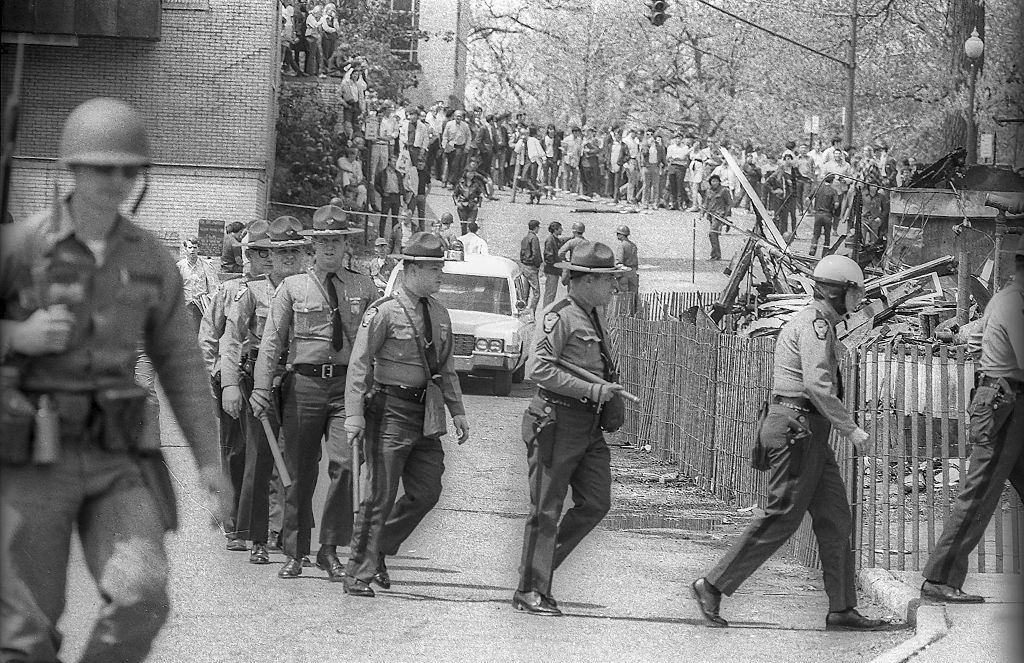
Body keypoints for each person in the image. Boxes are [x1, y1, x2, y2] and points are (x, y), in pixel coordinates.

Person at [0, 97, 230, 663]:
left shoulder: (151, 259)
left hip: (117, 456)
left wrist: (209, 461)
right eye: (105, 167)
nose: (119, 180)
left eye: (131, 169)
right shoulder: (20, 246)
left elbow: (181, 363)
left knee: (141, 595)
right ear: (71, 170)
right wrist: (17, 335)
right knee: (25, 634)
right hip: (31, 457)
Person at [691, 255, 889, 632]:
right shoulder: (815, 325)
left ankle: (842, 608)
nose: (858, 299)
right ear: (839, 292)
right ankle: (712, 584)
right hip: (798, 429)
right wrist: (851, 428)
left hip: (806, 431)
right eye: (855, 292)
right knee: (782, 516)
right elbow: (817, 385)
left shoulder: (819, 323)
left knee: (835, 518)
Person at [248, 204, 377, 581]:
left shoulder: (363, 285)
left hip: (344, 389)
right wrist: (259, 387)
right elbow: (271, 343)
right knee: (298, 471)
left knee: (346, 464)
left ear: (345, 245)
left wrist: (372, 389)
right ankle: (295, 550)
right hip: (303, 387)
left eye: (337, 241)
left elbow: (373, 343)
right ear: (312, 246)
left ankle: (330, 549)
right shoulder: (292, 287)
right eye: (323, 242)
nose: (330, 249)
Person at [343, 232, 470, 597]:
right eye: (433, 268)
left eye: (440, 267)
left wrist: (457, 410)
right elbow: (359, 364)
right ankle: (358, 573)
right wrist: (354, 416)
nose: (440, 275)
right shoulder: (383, 311)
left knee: (427, 491)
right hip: (390, 411)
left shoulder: (440, 313)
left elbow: (446, 369)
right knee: (378, 495)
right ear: (411, 269)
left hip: (426, 414)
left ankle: (380, 545)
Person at [514, 241, 628, 616]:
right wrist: (593, 388)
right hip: (557, 419)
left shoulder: (593, 314)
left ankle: (538, 572)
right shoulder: (558, 315)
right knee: (545, 509)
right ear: (586, 280)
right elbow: (538, 369)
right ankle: (531, 588)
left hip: (588, 425)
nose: (614, 286)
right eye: (608, 279)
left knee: (596, 502)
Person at [920, 237, 1024, 603]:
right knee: (979, 494)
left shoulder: (1008, 299)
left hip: (1007, 399)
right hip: (1004, 405)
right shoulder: (1013, 303)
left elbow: (974, 333)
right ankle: (939, 578)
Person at [220, 216, 310, 564]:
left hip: (299, 380)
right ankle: (257, 536)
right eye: (279, 252)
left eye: (295, 251)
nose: (287, 258)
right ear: (269, 254)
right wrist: (229, 383)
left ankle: (284, 533)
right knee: (258, 459)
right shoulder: (252, 292)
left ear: (305, 253)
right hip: (261, 379)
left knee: (295, 458)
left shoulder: (310, 290)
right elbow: (231, 340)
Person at [198, 220, 270, 552]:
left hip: (265, 381)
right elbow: (209, 338)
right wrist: (218, 377)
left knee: (265, 454)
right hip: (231, 381)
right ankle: (234, 521)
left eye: (268, 253)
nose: (264, 260)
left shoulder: (279, 290)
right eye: (257, 253)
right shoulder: (230, 291)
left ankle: (262, 525)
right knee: (236, 451)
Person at [176, 235, 218, 334]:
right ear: (185, 249)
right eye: (190, 247)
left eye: (195, 248)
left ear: (198, 249)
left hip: (201, 306)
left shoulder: (206, 266)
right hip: (186, 306)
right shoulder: (179, 267)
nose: (192, 250)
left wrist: (208, 300)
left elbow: (214, 286)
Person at [453, 155, 489, 234]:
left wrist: (478, 204)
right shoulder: (460, 183)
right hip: (462, 206)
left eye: (472, 173)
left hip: (472, 206)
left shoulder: (476, 184)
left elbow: (481, 195)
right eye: (470, 173)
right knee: (463, 226)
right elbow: (455, 194)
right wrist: (457, 203)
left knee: (471, 225)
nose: (471, 175)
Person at [374, 153, 407, 239]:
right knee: (384, 216)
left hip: (396, 197)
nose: (394, 164)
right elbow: (376, 184)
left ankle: (394, 237)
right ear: (389, 162)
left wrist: (403, 196)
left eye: (396, 162)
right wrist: (382, 192)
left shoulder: (398, 174)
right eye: (393, 162)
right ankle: (381, 236)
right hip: (387, 197)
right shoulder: (383, 173)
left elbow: (401, 186)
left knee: (395, 218)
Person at [703, 174, 733, 261]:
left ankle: (715, 254)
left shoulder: (724, 191)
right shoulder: (708, 191)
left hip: (719, 215)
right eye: (712, 181)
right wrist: (702, 213)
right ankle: (716, 255)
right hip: (711, 215)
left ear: (719, 182)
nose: (714, 183)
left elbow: (729, 203)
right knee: (714, 234)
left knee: (712, 233)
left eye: (716, 181)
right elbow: (706, 203)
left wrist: (725, 214)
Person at [809, 175, 840, 256]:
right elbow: (836, 204)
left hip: (818, 214)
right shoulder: (833, 191)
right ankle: (825, 253)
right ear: (832, 181)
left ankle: (812, 249)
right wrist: (833, 209)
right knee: (827, 235)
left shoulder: (818, 188)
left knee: (816, 234)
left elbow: (807, 199)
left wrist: (811, 210)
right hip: (827, 215)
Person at [613, 225, 640, 314]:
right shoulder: (633, 245)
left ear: (621, 235)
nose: (617, 236)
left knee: (623, 295)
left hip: (624, 273)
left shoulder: (622, 246)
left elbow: (619, 262)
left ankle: (624, 315)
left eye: (618, 234)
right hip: (633, 273)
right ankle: (632, 314)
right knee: (633, 296)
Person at [519, 219, 543, 315]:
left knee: (525, 293)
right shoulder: (534, 238)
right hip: (532, 267)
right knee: (536, 294)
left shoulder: (525, 238)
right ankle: (531, 312)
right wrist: (538, 264)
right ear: (536, 227)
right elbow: (536, 253)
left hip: (524, 266)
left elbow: (521, 252)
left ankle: (522, 310)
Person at [541, 221, 565, 308]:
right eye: (560, 228)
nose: (562, 230)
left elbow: (561, 241)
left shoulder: (554, 239)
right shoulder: (550, 240)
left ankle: (547, 310)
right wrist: (557, 265)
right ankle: (546, 311)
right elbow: (548, 256)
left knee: (552, 293)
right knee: (550, 293)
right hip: (552, 271)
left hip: (553, 271)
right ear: (555, 230)